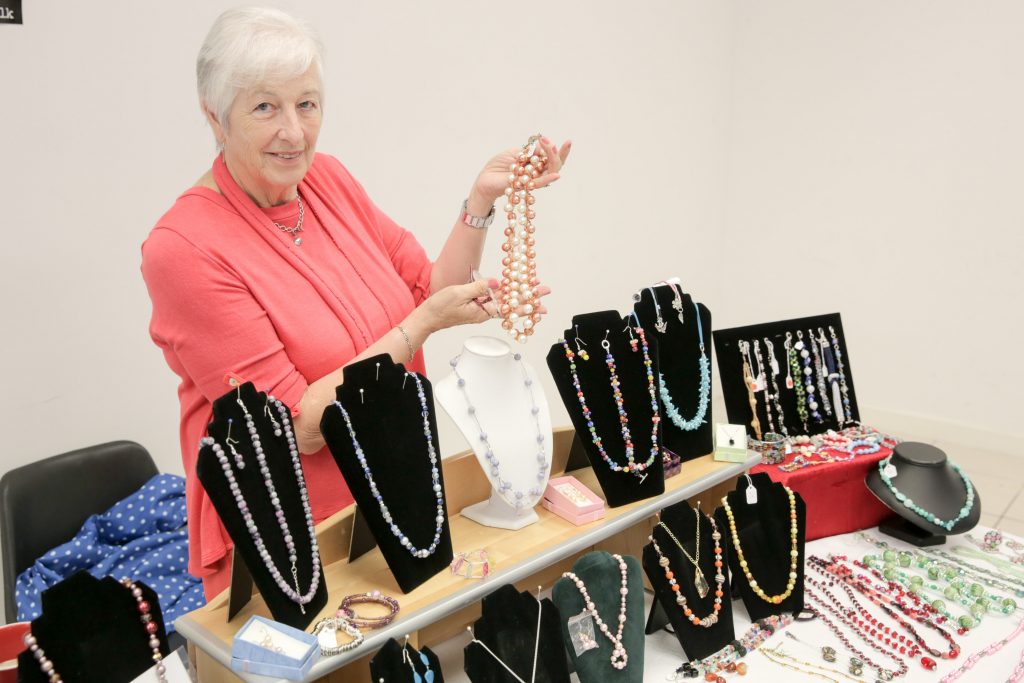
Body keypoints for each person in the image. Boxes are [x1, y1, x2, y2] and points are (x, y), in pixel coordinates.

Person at [141, 6, 570, 598]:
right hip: (289, 542)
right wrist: (421, 327)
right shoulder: (184, 250)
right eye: (265, 106)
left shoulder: (329, 180)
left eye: (307, 103)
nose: (294, 131)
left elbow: (427, 288)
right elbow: (295, 430)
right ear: (214, 116)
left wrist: (480, 200)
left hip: (388, 493)